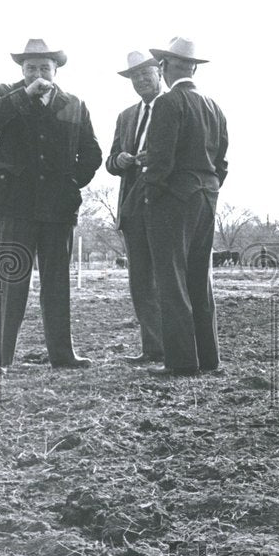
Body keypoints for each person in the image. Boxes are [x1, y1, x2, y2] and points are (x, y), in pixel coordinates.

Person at [0, 39, 102, 369]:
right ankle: (0, 359)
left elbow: (92, 154)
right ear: (21, 70)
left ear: (56, 70)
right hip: (15, 206)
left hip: (59, 209)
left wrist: (71, 181)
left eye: (44, 67)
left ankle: (62, 355)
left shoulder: (74, 103)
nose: (38, 73)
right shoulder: (5, 94)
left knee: (57, 282)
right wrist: (24, 95)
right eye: (31, 68)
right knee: (11, 280)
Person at [142, 37, 229, 377]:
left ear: (165, 67)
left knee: (172, 278)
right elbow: (222, 161)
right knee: (199, 277)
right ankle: (209, 358)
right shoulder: (214, 106)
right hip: (207, 195)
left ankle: (180, 361)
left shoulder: (167, 103)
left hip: (174, 198)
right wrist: (209, 185)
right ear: (192, 67)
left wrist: (152, 191)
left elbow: (161, 160)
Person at [105, 51, 165, 364]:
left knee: (169, 278)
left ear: (160, 73)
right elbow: (110, 160)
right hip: (133, 207)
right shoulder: (127, 116)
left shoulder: (175, 106)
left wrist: (156, 159)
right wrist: (121, 160)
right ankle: (152, 348)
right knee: (141, 280)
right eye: (135, 76)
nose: (141, 80)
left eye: (146, 73)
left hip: (166, 206)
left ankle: (178, 346)